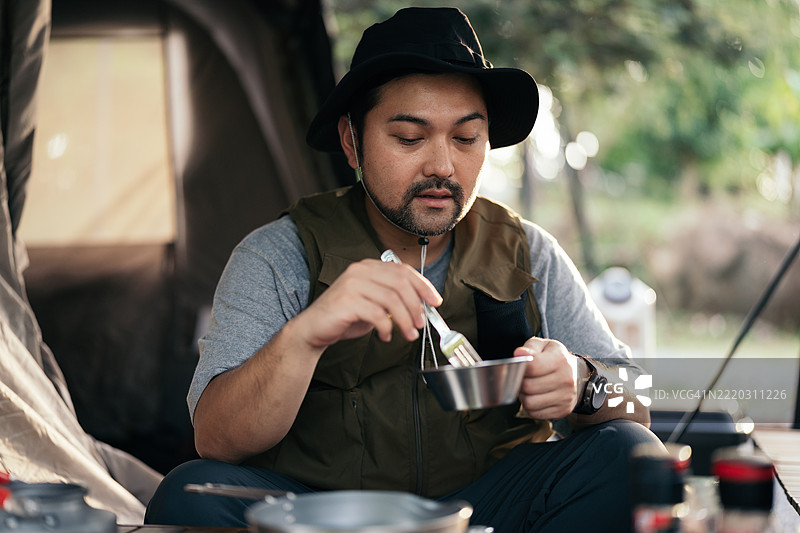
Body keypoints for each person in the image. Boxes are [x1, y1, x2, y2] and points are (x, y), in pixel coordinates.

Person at [145, 7, 661, 531]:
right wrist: (306, 337)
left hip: (485, 512)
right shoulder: (280, 255)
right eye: (410, 138)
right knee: (189, 494)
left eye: (465, 139)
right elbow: (215, 438)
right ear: (352, 142)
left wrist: (583, 382)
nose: (442, 165)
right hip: (324, 516)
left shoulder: (527, 252)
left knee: (631, 454)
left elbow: (639, 400)